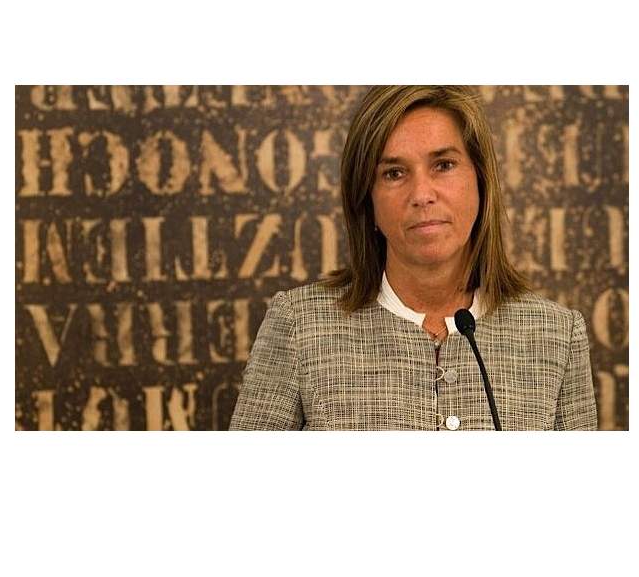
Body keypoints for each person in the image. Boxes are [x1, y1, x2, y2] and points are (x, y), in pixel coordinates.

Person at [229, 86, 597, 430]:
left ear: (481, 181)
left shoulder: (557, 335)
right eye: (394, 173)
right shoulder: (299, 325)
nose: (421, 194)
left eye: (444, 165)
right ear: (367, 199)